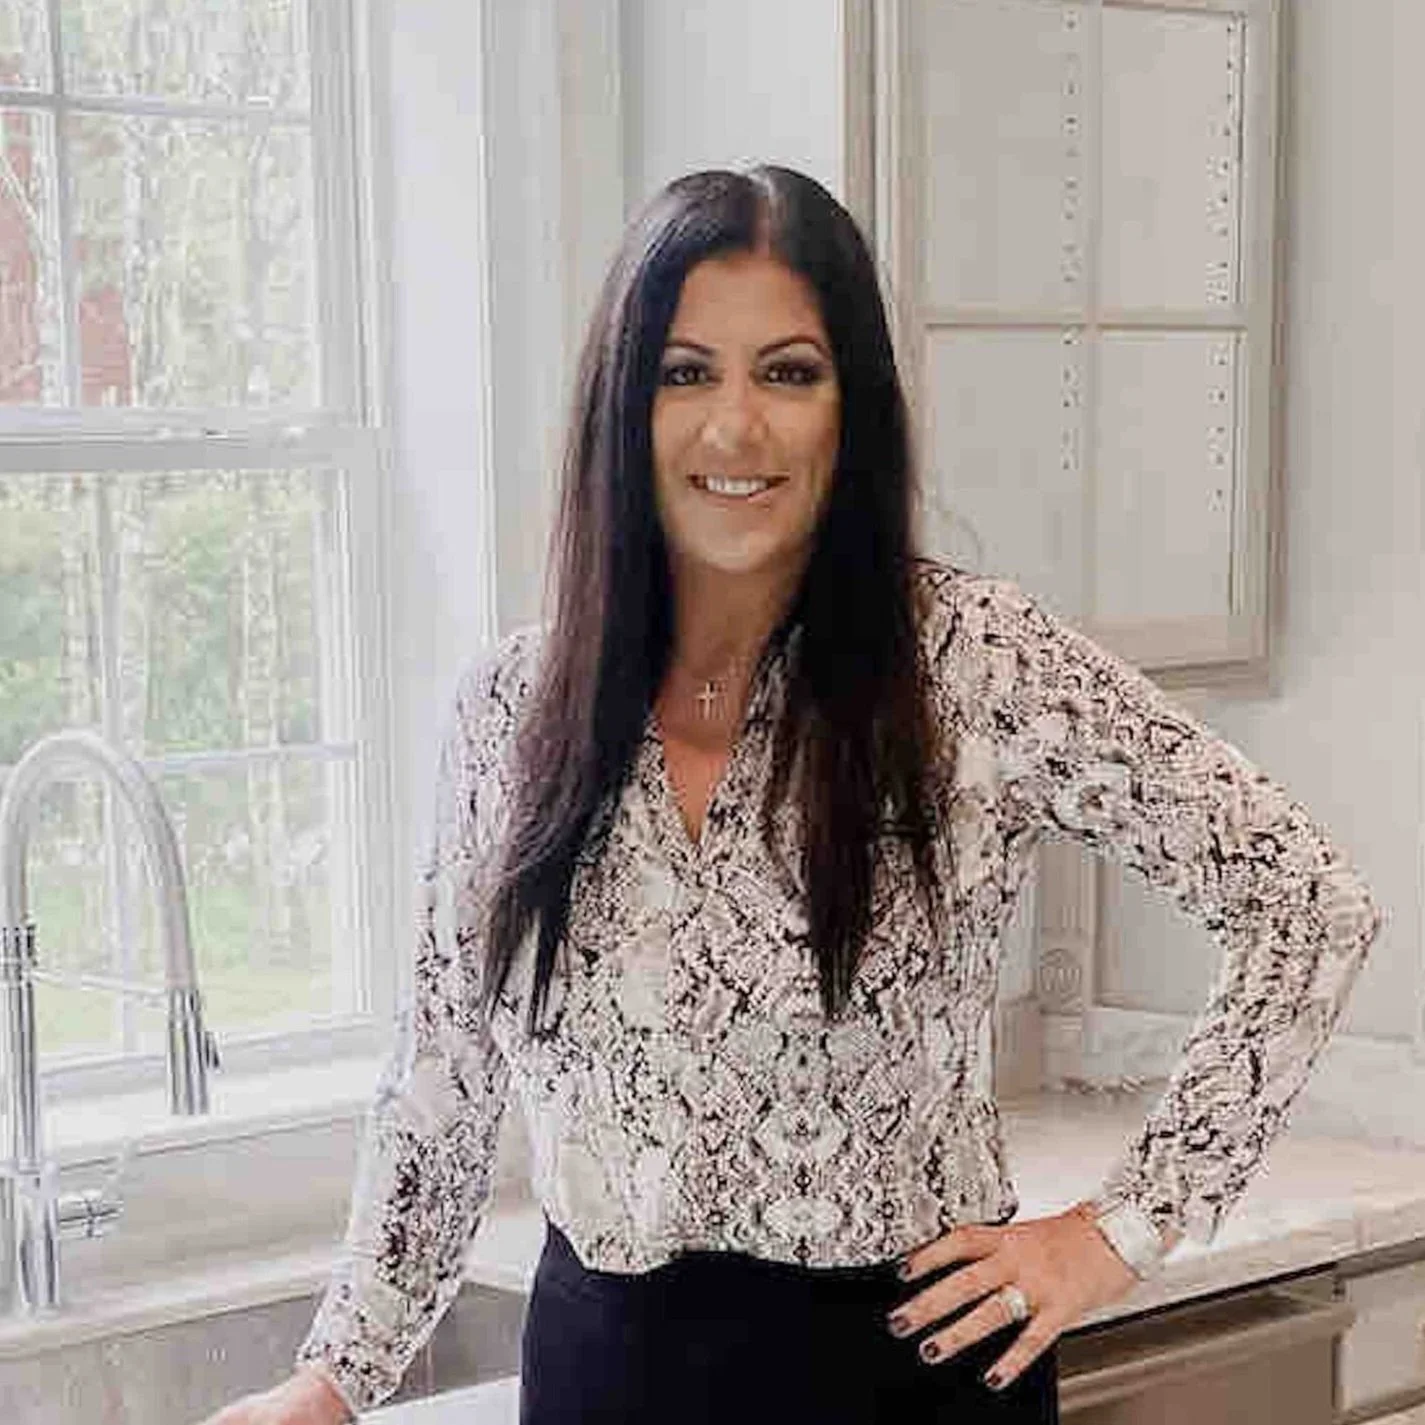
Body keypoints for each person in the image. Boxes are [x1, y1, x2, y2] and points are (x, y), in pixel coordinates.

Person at [200, 165, 1382, 1425]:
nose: (736, 429)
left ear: (850, 407)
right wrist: (337, 1377)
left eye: (789, 373)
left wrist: (1122, 1226)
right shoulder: (510, 707)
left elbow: (1307, 903)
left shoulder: (974, 665)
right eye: (686, 372)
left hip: (902, 1373)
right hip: (608, 1375)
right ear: (624, 405)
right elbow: (443, 1073)